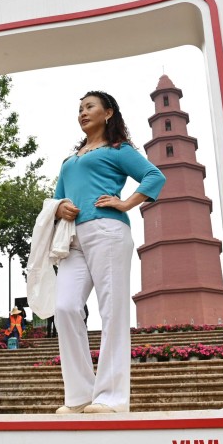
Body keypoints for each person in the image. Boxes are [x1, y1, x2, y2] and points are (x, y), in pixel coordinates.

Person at [52, 90, 164, 415]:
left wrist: (126, 202)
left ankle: (111, 398)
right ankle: (80, 396)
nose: (83, 113)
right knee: (66, 307)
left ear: (108, 113)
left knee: (112, 310)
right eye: (80, 108)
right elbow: (57, 198)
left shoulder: (118, 150)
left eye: (90, 107)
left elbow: (154, 175)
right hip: (73, 240)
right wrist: (60, 207)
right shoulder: (68, 161)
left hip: (108, 231)